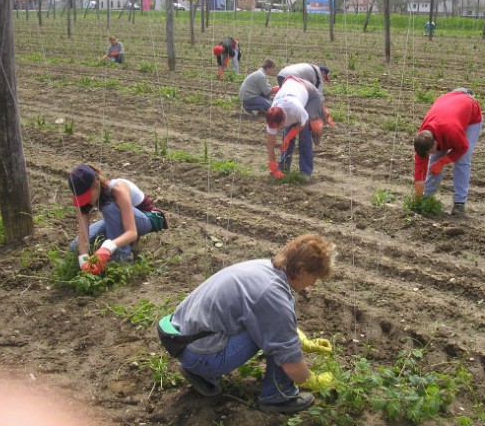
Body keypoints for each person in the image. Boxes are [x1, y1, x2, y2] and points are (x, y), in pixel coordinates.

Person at [157, 234, 336, 413]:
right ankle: (279, 396)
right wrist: (315, 382)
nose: (313, 284)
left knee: (274, 327)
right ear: (302, 270)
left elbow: (274, 316)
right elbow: (287, 352)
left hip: (184, 341)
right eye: (316, 277)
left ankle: (202, 375)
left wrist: (303, 341)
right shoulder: (270, 293)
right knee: (277, 339)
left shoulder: (264, 268)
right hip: (201, 355)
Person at [67, 163, 167, 274]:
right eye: (81, 198)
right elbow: (83, 232)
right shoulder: (80, 196)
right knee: (74, 248)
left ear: (96, 182)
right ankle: (112, 255)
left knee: (109, 207)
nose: (85, 201)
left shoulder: (117, 189)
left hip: (148, 219)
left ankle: (120, 262)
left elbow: (132, 232)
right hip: (117, 219)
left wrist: (108, 247)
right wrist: (83, 259)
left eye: (87, 195)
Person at [413, 88, 483, 216]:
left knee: (462, 160)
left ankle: (459, 203)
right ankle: (427, 198)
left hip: (470, 113)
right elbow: (419, 169)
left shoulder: (452, 131)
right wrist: (418, 198)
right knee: (435, 159)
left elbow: (462, 148)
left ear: (435, 143)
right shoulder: (423, 137)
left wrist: (443, 162)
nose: (428, 155)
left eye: (430, 151)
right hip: (449, 104)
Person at [265, 76, 331, 179]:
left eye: (279, 126)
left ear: (283, 119)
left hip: (308, 92)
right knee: (286, 139)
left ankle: (305, 173)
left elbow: (304, 122)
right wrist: (274, 169)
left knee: (304, 138)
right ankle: (283, 169)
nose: (276, 129)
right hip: (290, 87)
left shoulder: (295, 109)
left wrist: (290, 135)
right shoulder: (273, 117)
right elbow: (270, 146)